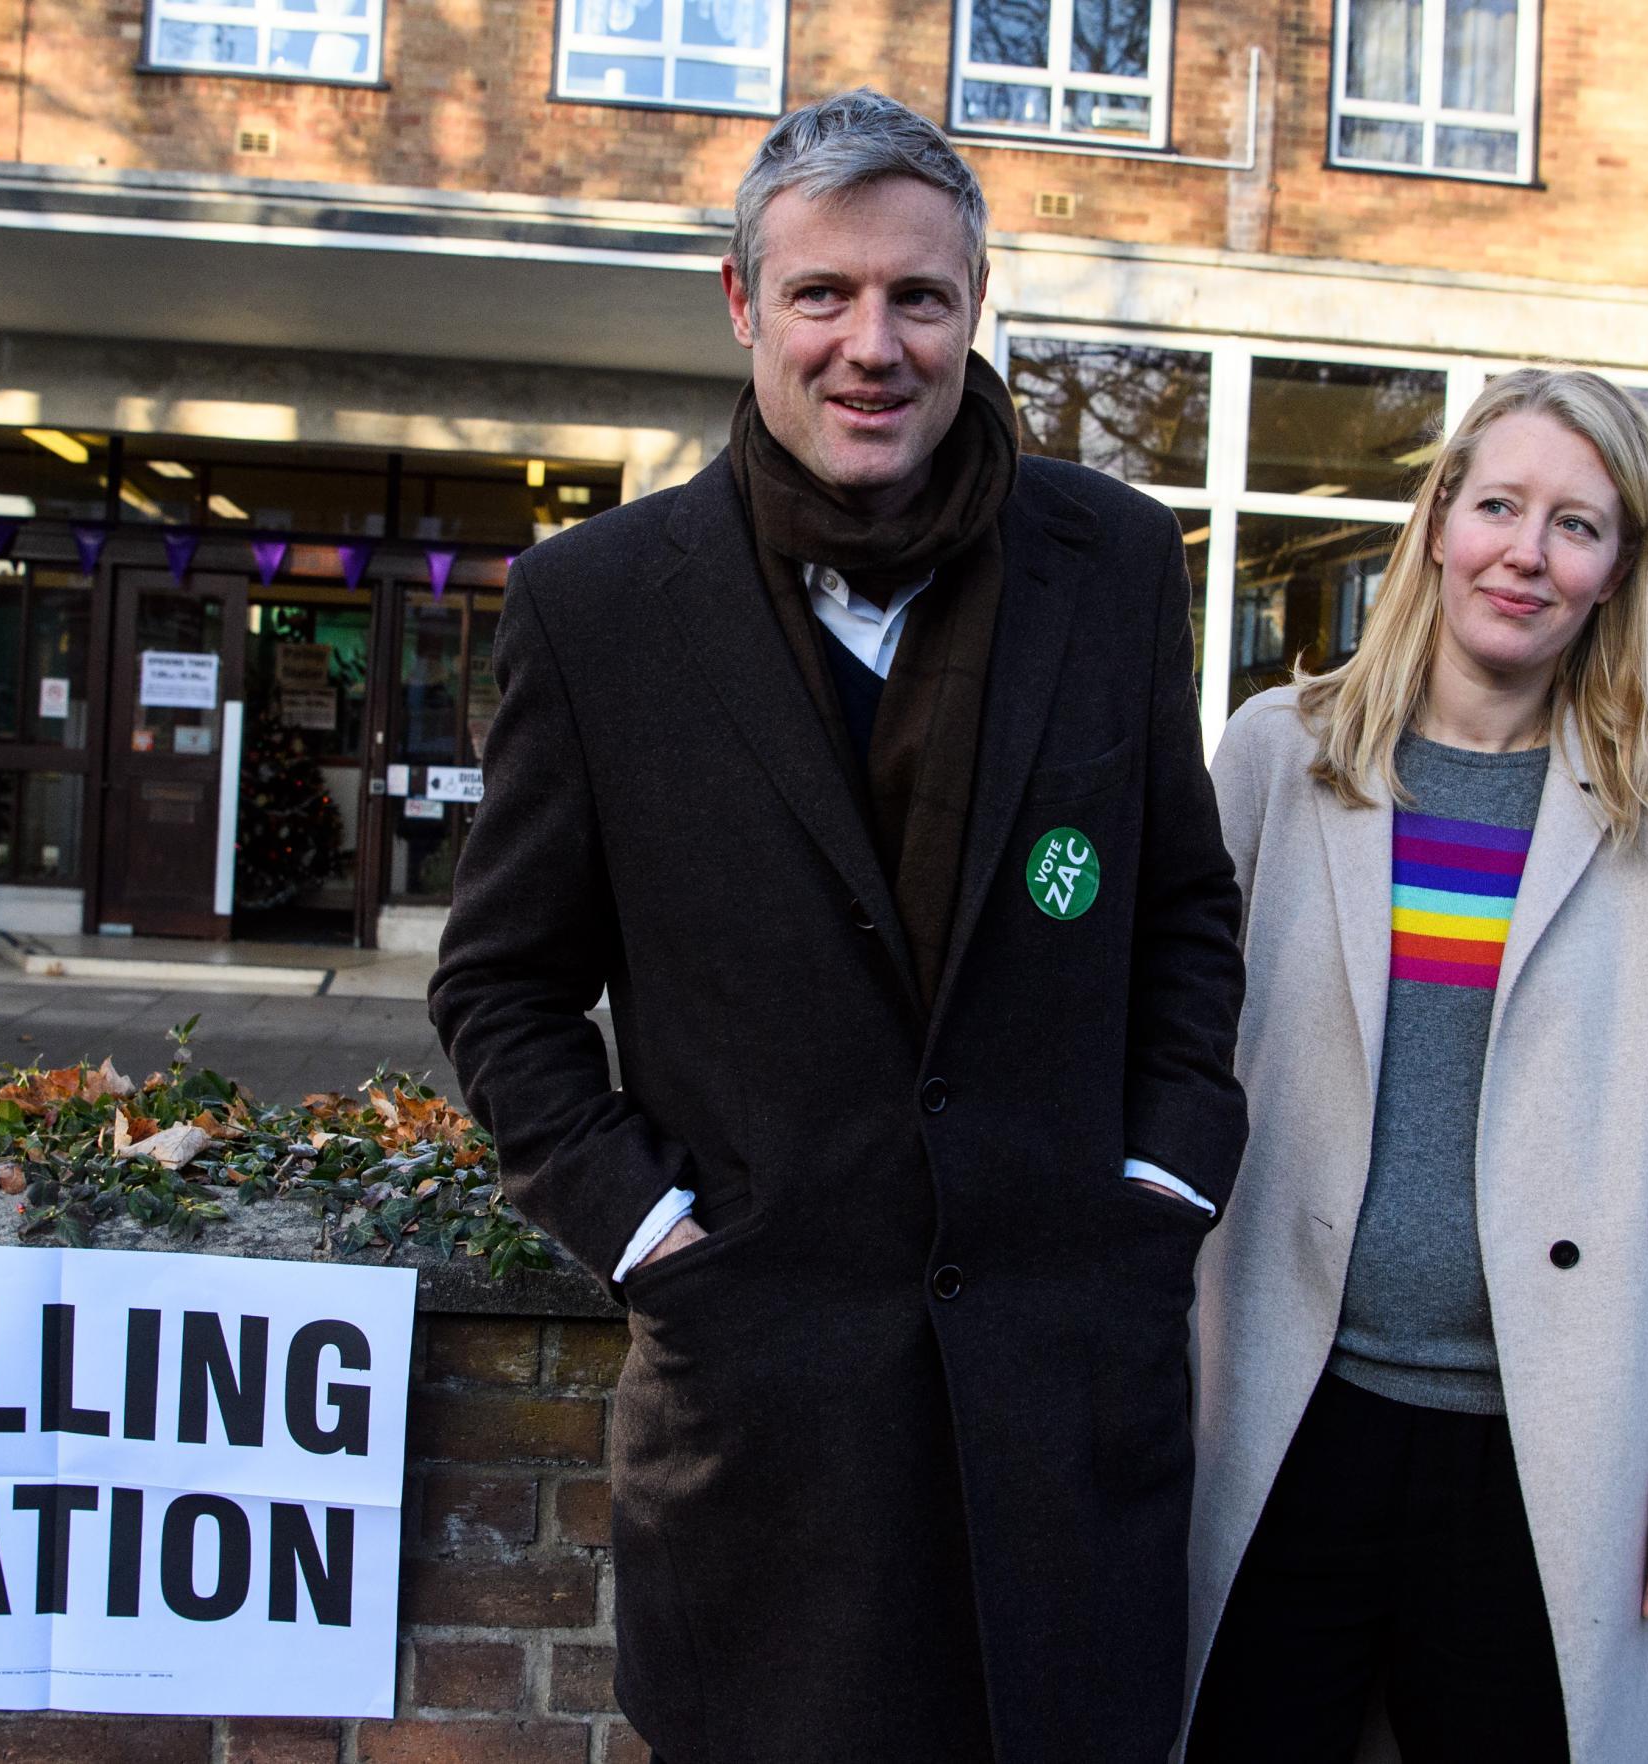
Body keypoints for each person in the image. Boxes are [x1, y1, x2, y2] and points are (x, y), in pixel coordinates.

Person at [430, 89, 1246, 1764]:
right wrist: (653, 1234)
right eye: (823, 294)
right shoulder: (595, 606)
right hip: (765, 1420)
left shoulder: (1110, 560)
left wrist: (1162, 1180)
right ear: (744, 304)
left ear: (972, 308)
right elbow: (502, 990)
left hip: (1063, 1398)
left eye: (918, 297)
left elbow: (1178, 913)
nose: (872, 344)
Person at [1182, 369, 1648, 1763]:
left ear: (1619, 569)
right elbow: (1171, 1056)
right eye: (1499, 505)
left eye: (1577, 525)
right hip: (1284, 1416)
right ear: (1438, 522)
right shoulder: (1279, 754)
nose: (1528, 553)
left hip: (1545, 1452)